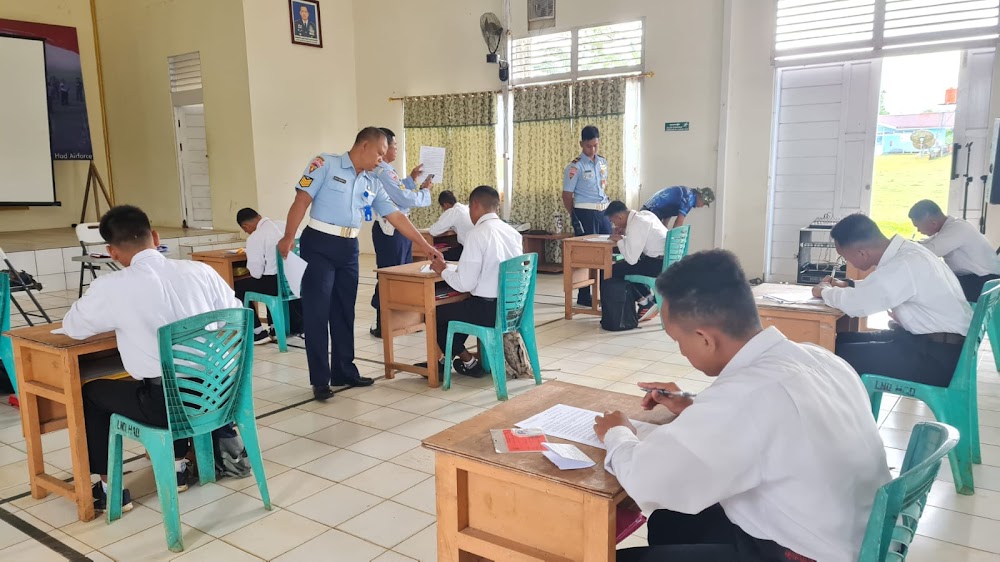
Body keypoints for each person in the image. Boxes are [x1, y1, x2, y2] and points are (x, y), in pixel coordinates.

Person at [595, 249, 890, 562]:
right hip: (847, 535)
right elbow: (769, 423)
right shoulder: (818, 359)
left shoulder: (745, 397)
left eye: (677, 340)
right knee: (671, 520)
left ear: (704, 338)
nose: (681, 351)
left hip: (799, 554)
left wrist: (618, 433)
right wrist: (695, 403)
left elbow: (649, 481)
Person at [62, 205, 244, 512]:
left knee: (93, 393)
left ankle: (110, 489)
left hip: (169, 408)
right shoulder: (200, 271)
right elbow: (235, 314)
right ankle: (177, 468)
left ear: (112, 252)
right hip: (220, 395)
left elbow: (73, 327)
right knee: (167, 380)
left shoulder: (112, 287)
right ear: (155, 237)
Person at [278, 127, 442, 400]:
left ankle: (344, 370)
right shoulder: (325, 164)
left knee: (344, 311)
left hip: (349, 248)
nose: (381, 158)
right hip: (319, 243)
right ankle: (320, 380)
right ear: (363, 146)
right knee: (318, 313)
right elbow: (301, 200)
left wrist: (424, 246)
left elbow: (397, 217)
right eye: (379, 152)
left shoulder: (372, 181)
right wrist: (288, 237)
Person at [812, 213, 972, 387]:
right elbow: (880, 286)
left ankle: (841, 412)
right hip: (935, 345)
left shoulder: (904, 263)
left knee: (829, 354)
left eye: (845, 257)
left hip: (935, 358)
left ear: (862, 253)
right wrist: (847, 284)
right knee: (837, 341)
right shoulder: (909, 251)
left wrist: (824, 291)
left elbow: (857, 305)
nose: (846, 262)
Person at [429, 186, 522, 376]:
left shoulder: (476, 234)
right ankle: (450, 358)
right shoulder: (513, 233)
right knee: (460, 308)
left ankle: (468, 361)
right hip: (513, 309)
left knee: (434, 314)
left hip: (488, 311)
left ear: (475, 205)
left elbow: (465, 284)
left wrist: (443, 270)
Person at [369, 127, 433, 338]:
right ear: (383, 147)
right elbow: (403, 198)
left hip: (397, 229)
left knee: (403, 273)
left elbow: (397, 190)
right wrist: (424, 192)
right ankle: (383, 323)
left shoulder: (388, 170)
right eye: (393, 145)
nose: (396, 149)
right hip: (390, 230)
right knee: (390, 274)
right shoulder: (383, 170)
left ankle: (402, 321)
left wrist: (412, 180)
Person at [234, 208, 303, 344]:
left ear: (245, 226)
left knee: (239, 286)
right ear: (259, 216)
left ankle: (257, 332)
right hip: (296, 280)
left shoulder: (255, 237)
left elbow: (256, 273)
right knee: (269, 276)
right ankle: (276, 328)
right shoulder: (283, 225)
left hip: (275, 285)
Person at [908, 199, 1000, 302]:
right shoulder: (948, 228)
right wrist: (905, 244)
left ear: (933, 223)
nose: (918, 231)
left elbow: (932, 251)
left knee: (930, 292)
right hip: (972, 279)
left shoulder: (957, 228)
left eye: (918, 227)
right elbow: (927, 243)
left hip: (984, 282)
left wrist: (906, 247)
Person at [563, 125, 611, 307]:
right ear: (581, 144)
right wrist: (575, 217)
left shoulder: (602, 162)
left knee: (607, 253)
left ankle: (605, 293)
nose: (592, 149)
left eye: (595, 145)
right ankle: (584, 295)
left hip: (603, 212)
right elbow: (566, 195)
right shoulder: (575, 167)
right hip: (585, 213)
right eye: (589, 146)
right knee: (586, 256)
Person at [604, 200, 665, 321]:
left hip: (656, 265)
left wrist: (619, 240)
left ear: (619, 217)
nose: (614, 225)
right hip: (666, 262)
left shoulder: (636, 224)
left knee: (614, 270)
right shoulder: (645, 215)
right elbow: (638, 242)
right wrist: (624, 236)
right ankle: (647, 297)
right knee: (630, 265)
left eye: (613, 221)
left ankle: (644, 302)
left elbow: (631, 260)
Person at [428, 190, 474, 261]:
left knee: (436, 257)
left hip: (468, 250)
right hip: (474, 247)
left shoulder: (452, 212)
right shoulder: (466, 208)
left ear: (445, 204)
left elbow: (433, 231)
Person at [640, 185, 715, 228]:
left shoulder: (688, 193)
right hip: (652, 212)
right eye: (704, 203)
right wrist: (675, 240)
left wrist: (664, 228)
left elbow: (668, 211)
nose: (702, 206)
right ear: (700, 197)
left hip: (649, 209)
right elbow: (678, 223)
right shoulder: (690, 199)